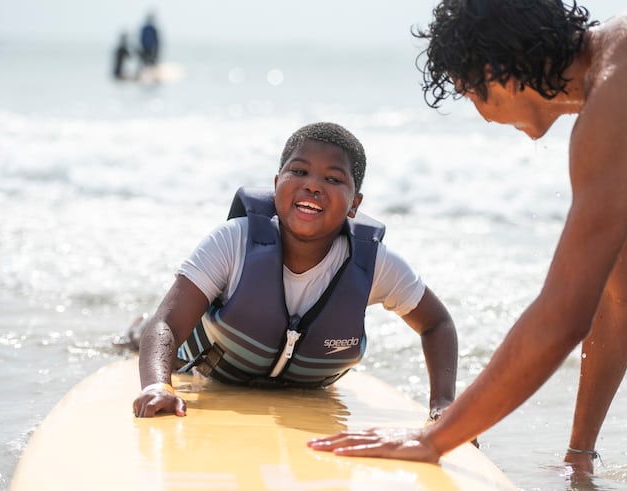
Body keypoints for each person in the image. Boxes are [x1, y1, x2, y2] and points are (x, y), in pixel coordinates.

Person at [308, 0, 627, 477]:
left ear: (499, 76)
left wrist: (434, 439)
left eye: (470, 93)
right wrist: (579, 457)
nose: (480, 113)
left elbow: (563, 315)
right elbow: (618, 298)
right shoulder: (623, 80)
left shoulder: (615, 101)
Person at [131, 122, 459, 425]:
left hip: (307, 386)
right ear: (276, 185)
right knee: (144, 332)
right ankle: (130, 337)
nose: (312, 186)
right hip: (201, 367)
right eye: (299, 171)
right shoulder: (234, 241)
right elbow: (168, 323)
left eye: (333, 179)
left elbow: (437, 323)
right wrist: (158, 384)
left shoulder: (373, 265)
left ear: (354, 204)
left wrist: (443, 404)